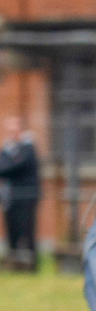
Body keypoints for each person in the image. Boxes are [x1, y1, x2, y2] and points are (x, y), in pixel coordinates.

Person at [0, 116, 40, 272]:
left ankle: (30, 267)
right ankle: (14, 265)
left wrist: (8, 164)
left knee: (27, 231)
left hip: (27, 196)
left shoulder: (28, 147)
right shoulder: (8, 148)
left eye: (14, 129)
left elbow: (14, 166)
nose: (11, 132)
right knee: (12, 232)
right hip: (10, 197)